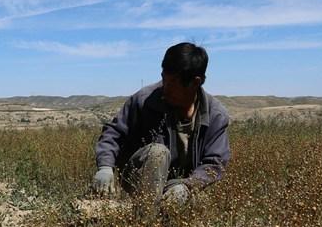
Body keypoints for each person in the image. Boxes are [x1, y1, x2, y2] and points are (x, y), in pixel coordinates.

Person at [92, 42, 230, 204]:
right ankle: (145, 223)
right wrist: (105, 167)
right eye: (163, 79)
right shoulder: (144, 100)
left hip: (180, 186)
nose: (165, 88)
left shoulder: (215, 115)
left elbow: (214, 163)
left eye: (172, 83)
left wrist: (188, 185)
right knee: (157, 152)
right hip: (138, 179)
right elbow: (113, 134)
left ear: (195, 82)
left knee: (203, 203)